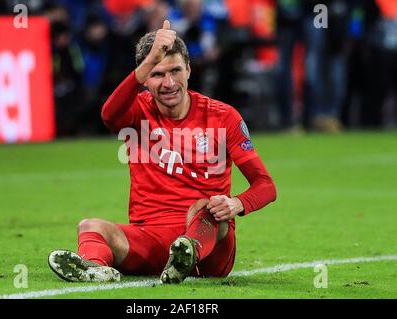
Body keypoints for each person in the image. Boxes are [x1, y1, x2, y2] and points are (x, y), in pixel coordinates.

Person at [48, 20, 277, 284]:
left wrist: (236, 203)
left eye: (176, 71)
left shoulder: (223, 117)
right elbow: (108, 115)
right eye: (157, 74)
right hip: (150, 239)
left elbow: (265, 185)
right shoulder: (137, 112)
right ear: (144, 78)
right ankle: (95, 269)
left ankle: (187, 253)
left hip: (208, 243)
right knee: (90, 226)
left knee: (206, 206)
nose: (168, 83)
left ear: (189, 70)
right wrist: (148, 61)